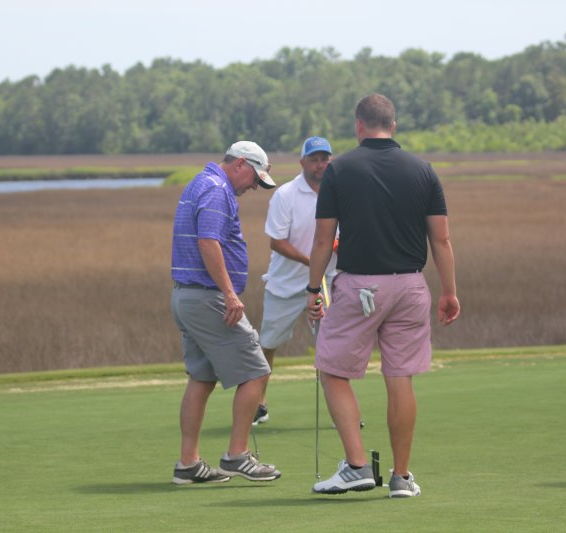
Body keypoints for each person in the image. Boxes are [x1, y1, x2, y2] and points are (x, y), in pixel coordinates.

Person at [306, 93, 460, 498]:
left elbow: (323, 239)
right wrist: (449, 292)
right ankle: (401, 478)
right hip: (410, 285)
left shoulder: (339, 169)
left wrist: (313, 288)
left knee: (333, 369)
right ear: (393, 125)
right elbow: (441, 240)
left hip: (358, 285)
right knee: (399, 376)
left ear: (359, 125)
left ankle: (357, 466)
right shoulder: (423, 170)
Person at [170, 141, 282, 485]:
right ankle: (237, 455)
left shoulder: (200, 182)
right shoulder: (218, 189)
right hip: (209, 299)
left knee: (202, 378)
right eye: (255, 179)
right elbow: (208, 241)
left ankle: (188, 464)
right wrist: (230, 294)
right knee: (257, 371)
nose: (254, 187)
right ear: (240, 164)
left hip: (188, 297)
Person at [254, 136, 338, 425]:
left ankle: (340, 412)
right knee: (268, 344)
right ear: (302, 162)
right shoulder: (285, 194)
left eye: (325, 159)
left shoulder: (340, 192)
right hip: (285, 284)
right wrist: (312, 261)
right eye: (314, 159)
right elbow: (277, 242)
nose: (320, 164)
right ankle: (259, 403)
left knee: (330, 347)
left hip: (326, 283)